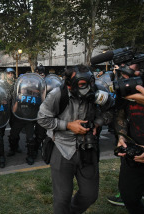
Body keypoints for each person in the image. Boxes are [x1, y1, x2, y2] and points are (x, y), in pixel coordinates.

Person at [37, 64, 112, 213]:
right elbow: (42, 119)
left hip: (88, 147)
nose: (88, 89)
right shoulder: (58, 94)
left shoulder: (97, 92)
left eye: (89, 83)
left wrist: (97, 123)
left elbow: (110, 111)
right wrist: (68, 125)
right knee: (62, 198)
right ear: (70, 85)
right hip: (62, 148)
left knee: (90, 195)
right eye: (82, 85)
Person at [107, 63, 144, 213]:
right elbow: (120, 114)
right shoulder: (125, 88)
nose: (125, 76)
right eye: (123, 72)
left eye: (131, 72)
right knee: (128, 196)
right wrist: (121, 136)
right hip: (133, 152)